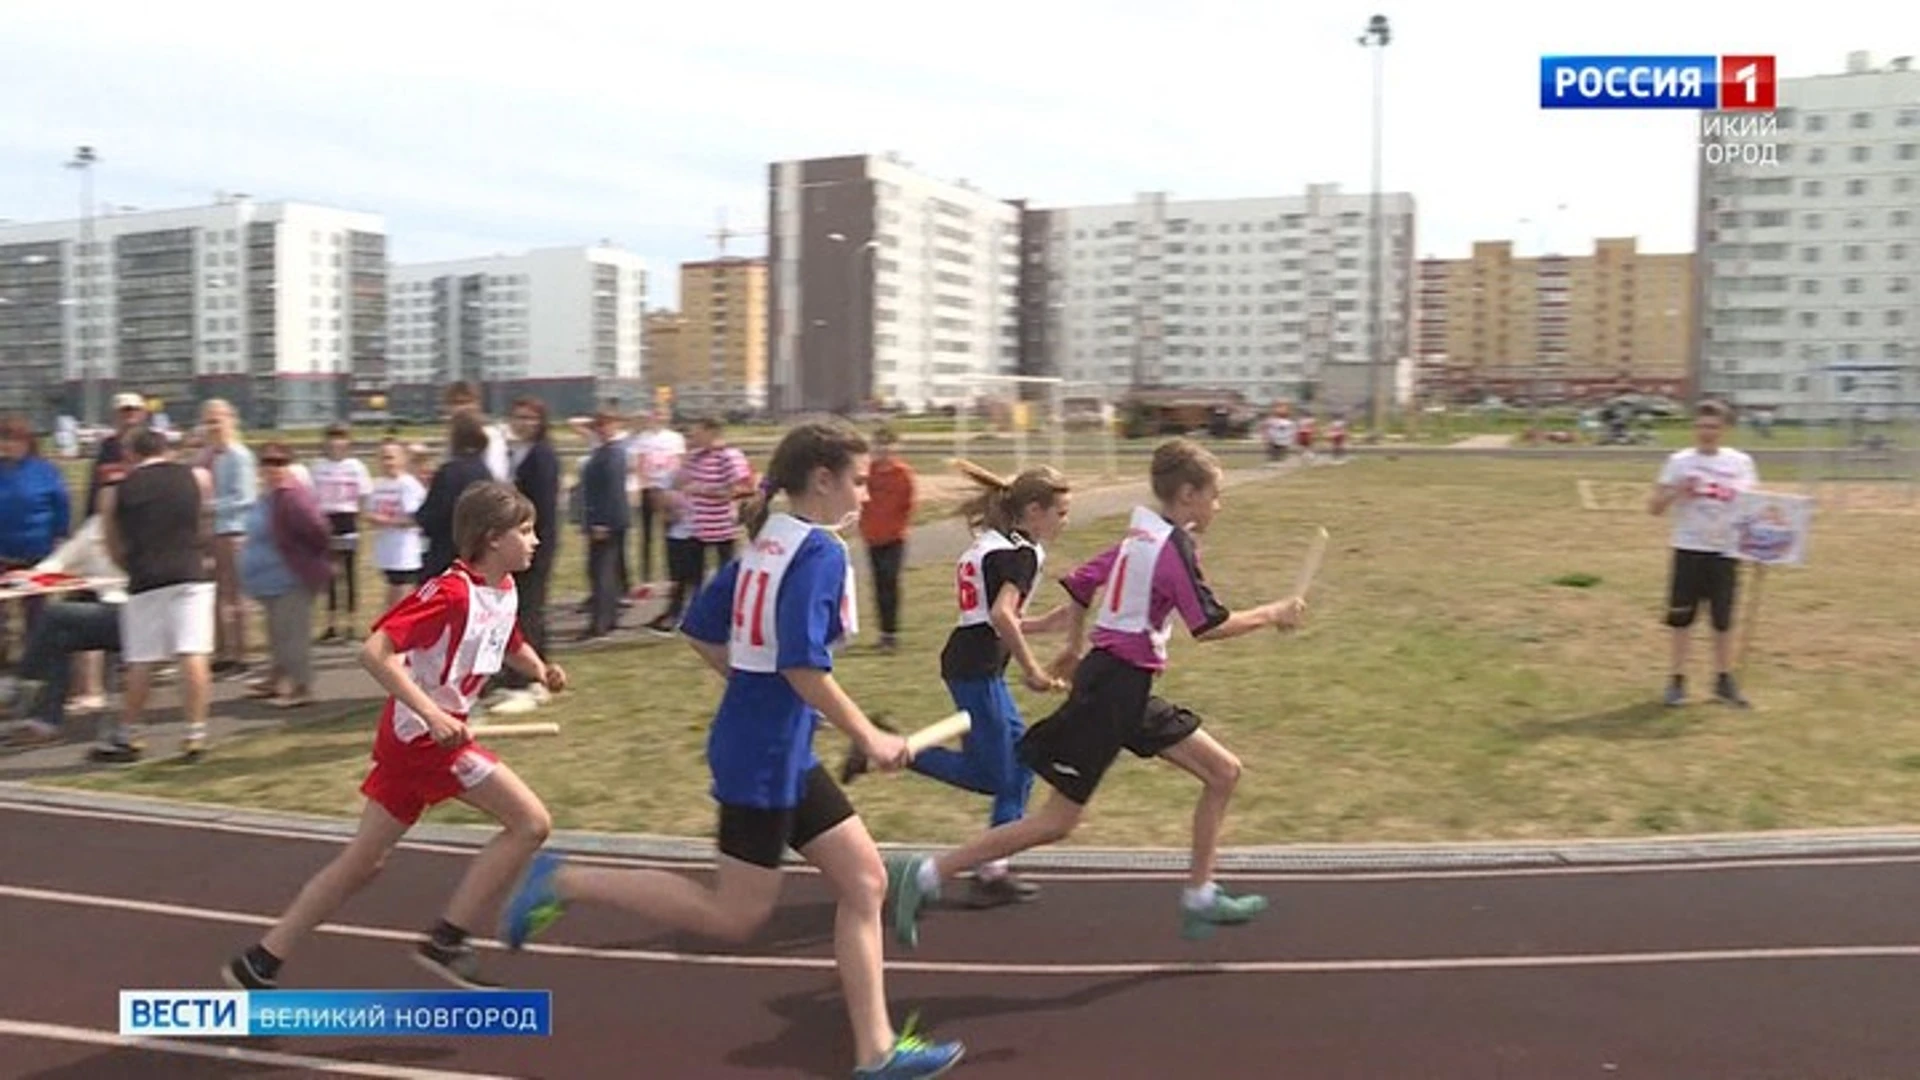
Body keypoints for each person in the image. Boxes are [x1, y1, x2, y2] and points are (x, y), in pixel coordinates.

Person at [500, 421, 965, 1080]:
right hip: (764, 758)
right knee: (735, 914)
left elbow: (702, 630)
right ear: (823, 479)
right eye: (858, 481)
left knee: (865, 881)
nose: (866, 493)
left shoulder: (769, 544)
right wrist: (868, 737)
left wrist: (767, 696)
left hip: (777, 746)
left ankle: (876, 1051)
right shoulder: (820, 553)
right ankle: (567, 880)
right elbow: (805, 667)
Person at [886, 437, 1306, 946]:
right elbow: (1207, 624)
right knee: (1056, 821)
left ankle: (1200, 897)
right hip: (1111, 693)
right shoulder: (1171, 548)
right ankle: (927, 874)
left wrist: (1072, 645)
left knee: (1223, 772)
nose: (1217, 506)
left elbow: (1081, 585)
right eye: (1213, 495)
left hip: (1123, 686)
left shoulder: (1137, 538)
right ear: (1189, 495)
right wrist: (1273, 613)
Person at [224, 481, 567, 992]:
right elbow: (375, 652)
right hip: (425, 742)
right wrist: (432, 714)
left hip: (422, 742)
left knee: (363, 863)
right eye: (526, 531)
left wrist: (541, 670)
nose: (536, 540)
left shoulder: (502, 590)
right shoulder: (449, 591)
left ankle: (260, 961)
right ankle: (446, 940)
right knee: (530, 823)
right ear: (493, 539)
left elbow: (507, 639)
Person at [846, 460, 1073, 908]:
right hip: (976, 669)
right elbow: (1000, 617)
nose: (1064, 521)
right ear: (1033, 511)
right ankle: (890, 748)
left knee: (1021, 765)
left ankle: (993, 868)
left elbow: (992, 619)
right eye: (1060, 512)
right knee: (999, 776)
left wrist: (1047, 624)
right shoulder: (1023, 553)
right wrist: (1031, 668)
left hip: (973, 662)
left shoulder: (995, 543)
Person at [94, 426, 215, 763]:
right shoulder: (197, 477)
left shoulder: (115, 491)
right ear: (166, 448)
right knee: (193, 652)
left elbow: (112, 543)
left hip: (146, 577)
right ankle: (195, 734)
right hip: (190, 572)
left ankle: (130, 734)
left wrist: (129, 567)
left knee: (142, 660)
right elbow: (204, 525)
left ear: (131, 455)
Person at [1648, 399, 1757, 708]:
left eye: (1713, 427)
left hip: (1726, 551)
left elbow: (1753, 504)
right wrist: (1675, 493)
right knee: (1682, 618)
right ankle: (1677, 680)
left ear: (1724, 429)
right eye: (1701, 426)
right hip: (1689, 548)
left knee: (1722, 620)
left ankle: (1723, 680)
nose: (1706, 433)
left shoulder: (1741, 463)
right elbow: (1653, 508)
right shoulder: (1679, 462)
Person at [310, 423, 373, 644]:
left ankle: (351, 625)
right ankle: (331, 624)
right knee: (329, 576)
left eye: (341, 438)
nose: (336, 443)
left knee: (349, 573)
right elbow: (311, 496)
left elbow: (364, 494)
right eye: (332, 438)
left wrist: (362, 517)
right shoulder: (318, 467)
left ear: (348, 442)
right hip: (326, 521)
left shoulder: (355, 467)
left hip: (347, 520)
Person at [856, 427, 916, 653]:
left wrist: (896, 526)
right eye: (878, 445)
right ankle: (883, 633)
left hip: (894, 538)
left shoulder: (902, 474)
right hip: (872, 536)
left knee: (890, 583)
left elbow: (908, 505)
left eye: (886, 446)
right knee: (878, 584)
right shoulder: (866, 473)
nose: (882, 450)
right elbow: (858, 498)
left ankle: (891, 634)